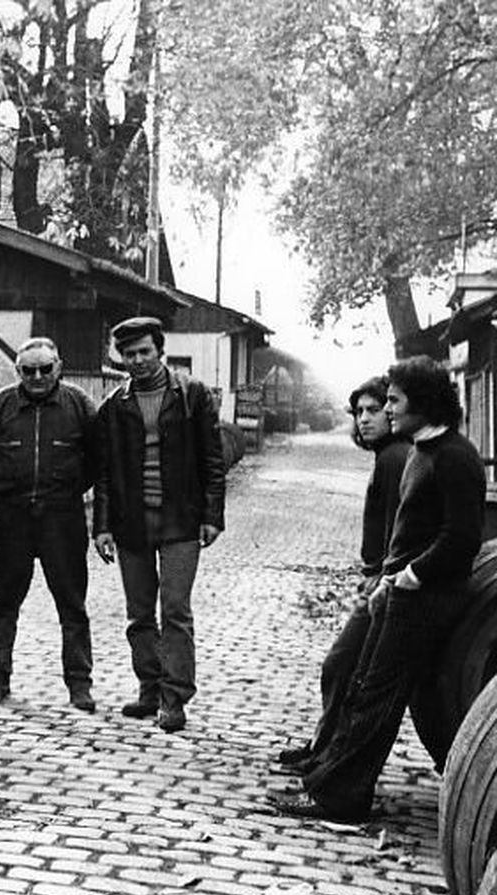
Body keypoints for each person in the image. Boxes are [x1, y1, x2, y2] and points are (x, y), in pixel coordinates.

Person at [269, 356, 484, 822]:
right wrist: (392, 577)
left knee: (377, 700)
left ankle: (341, 798)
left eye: (394, 400)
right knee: (366, 688)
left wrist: (410, 576)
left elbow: (460, 539)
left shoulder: (454, 457)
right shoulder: (421, 450)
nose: (386, 410)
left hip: (425, 599)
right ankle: (329, 782)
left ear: (423, 403)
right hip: (401, 593)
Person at [92, 316, 225, 733]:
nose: (137, 360)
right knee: (138, 613)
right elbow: (106, 472)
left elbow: (212, 460)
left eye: (144, 351)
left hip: (180, 521)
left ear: (160, 350)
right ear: (121, 358)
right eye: (129, 354)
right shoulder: (115, 405)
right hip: (133, 523)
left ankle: (174, 698)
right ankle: (148, 688)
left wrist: (211, 515)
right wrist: (103, 526)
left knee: (175, 610)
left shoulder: (192, 395)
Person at [275, 376, 410, 772]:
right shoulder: (388, 454)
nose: (364, 419)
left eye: (374, 410)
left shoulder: (394, 457)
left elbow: (399, 530)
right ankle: (323, 747)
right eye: (358, 412)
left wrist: (379, 574)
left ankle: (328, 752)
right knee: (344, 668)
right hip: (382, 580)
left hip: (387, 585)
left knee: (342, 665)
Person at [0, 337, 98, 711]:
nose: (38, 377)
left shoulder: (78, 405)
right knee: (4, 600)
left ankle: (79, 683)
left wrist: (71, 489)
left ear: (59, 367)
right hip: (13, 517)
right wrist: (9, 488)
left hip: (63, 518)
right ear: (18, 372)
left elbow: (97, 458)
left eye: (45, 369)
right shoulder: (2, 405)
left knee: (72, 603)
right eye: (29, 371)